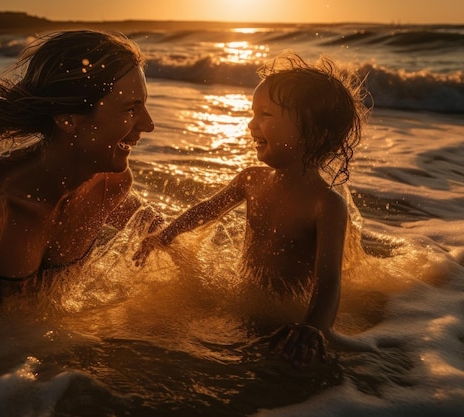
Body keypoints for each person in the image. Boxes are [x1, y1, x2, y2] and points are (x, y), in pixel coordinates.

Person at [133, 52, 368, 367]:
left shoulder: (325, 204)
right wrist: (168, 233)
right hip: (246, 301)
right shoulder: (251, 179)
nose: (251, 124)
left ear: (314, 132)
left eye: (266, 115)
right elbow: (207, 210)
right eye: (253, 113)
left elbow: (328, 282)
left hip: (287, 318)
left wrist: (313, 327)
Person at [0, 30, 156, 304]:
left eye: (143, 105)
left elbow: (152, 233)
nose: (148, 125)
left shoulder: (111, 184)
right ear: (68, 119)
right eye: (131, 109)